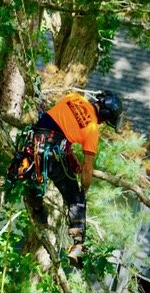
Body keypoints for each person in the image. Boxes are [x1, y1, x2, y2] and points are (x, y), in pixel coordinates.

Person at [23, 91, 123, 263]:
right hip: (51, 153)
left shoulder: (73, 97)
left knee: (38, 178)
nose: (104, 123)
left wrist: (70, 158)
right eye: (106, 121)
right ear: (105, 115)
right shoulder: (92, 129)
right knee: (76, 199)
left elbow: (57, 125)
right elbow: (87, 168)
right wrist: (84, 190)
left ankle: (38, 207)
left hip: (33, 144)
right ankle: (77, 248)